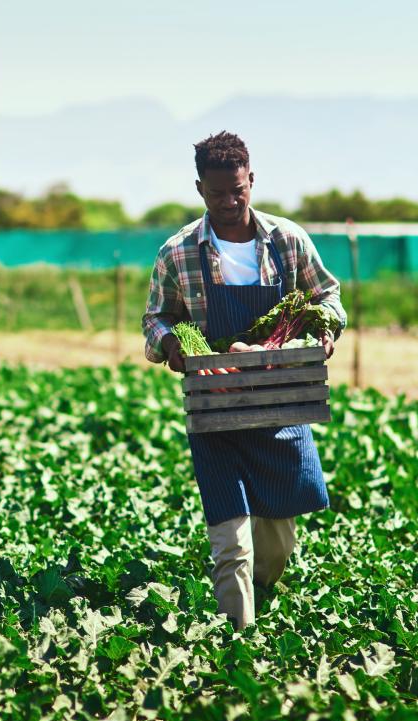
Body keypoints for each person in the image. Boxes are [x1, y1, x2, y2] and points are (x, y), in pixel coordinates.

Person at [141, 131, 346, 631]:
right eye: (217, 194)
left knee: (277, 543)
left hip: (280, 406)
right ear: (199, 190)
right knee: (230, 540)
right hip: (216, 409)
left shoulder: (288, 241)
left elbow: (329, 298)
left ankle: (265, 599)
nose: (230, 202)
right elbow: (156, 318)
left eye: (238, 190)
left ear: (251, 180)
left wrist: (324, 331)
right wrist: (172, 345)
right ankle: (239, 638)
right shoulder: (178, 252)